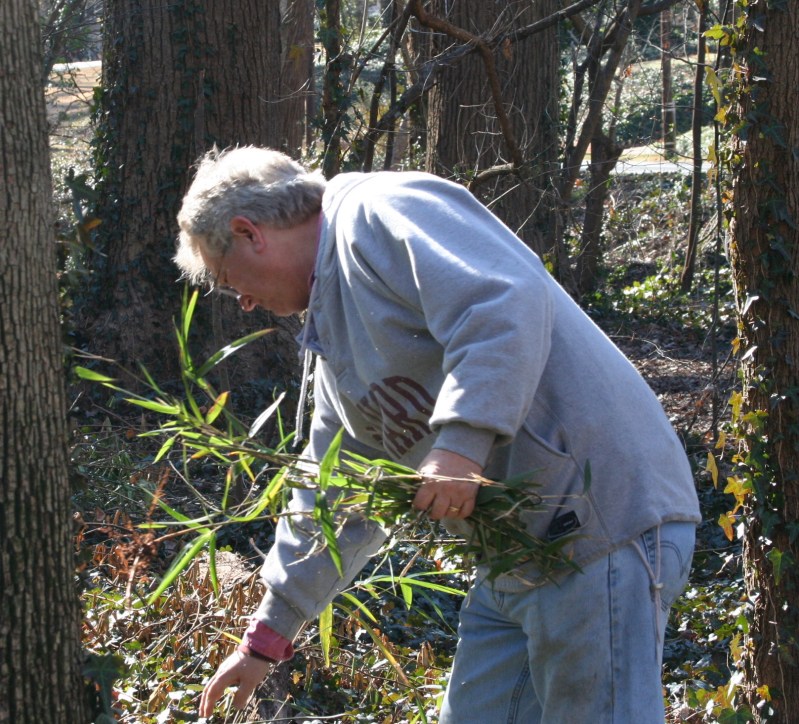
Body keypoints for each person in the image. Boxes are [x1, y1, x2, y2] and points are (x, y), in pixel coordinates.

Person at [174, 146, 701, 723]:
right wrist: (269, 636)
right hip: (518, 554)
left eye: (230, 283)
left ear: (249, 232)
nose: (245, 302)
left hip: (600, 522)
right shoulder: (334, 336)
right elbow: (334, 485)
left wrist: (461, 443)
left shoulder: (381, 211)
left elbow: (500, 300)